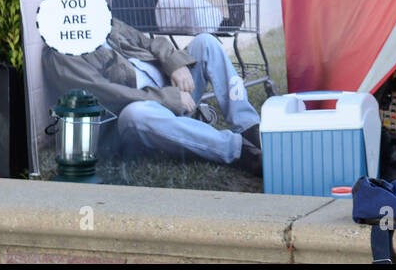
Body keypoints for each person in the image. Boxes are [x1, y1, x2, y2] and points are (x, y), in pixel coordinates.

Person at [41, 17, 262, 173]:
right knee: (135, 115)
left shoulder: (104, 22)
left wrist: (173, 63)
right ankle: (240, 151)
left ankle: (249, 127)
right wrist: (167, 98)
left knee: (206, 41)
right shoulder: (61, 54)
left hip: (174, 89)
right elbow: (105, 94)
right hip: (141, 111)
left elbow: (150, 42)